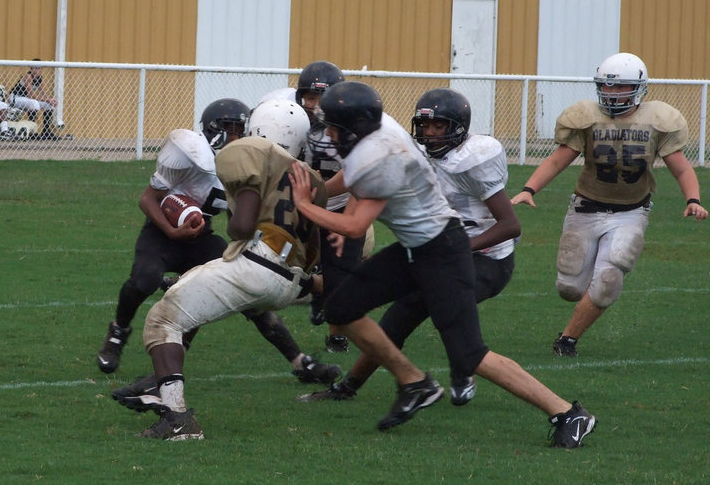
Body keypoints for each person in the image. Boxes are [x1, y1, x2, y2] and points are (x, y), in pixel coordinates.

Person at [288, 80, 595, 447]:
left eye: (336, 127)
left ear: (355, 127)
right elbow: (355, 182)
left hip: (442, 252)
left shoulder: (379, 157)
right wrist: (335, 203)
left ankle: (568, 412)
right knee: (342, 306)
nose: (331, 135)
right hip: (416, 248)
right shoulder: (379, 132)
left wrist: (307, 205)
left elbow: (355, 224)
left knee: (469, 354)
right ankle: (414, 382)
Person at [97, 98, 339, 386]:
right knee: (144, 279)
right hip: (163, 231)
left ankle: (300, 362)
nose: (235, 137)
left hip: (202, 236)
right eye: (230, 129)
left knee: (248, 288)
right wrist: (173, 232)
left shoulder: (249, 158)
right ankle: (118, 332)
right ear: (212, 128)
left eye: (240, 130)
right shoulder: (190, 152)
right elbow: (148, 198)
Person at [301, 87, 520, 406]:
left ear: (458, 127)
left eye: (439, 126)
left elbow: (510, 225)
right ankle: (352, 386)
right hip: (437, 249)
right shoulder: (408, 151)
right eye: (425, 126)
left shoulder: (473, 159)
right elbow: (365, 186)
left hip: (487, 257)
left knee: (442, 318)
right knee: (397, 318)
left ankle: (461, 371)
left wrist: (463, 247)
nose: (430, 134)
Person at [510, 52, 707, 357]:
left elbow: (681, 167)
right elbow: (557, 160)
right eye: (607, 86)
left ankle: (567, 340)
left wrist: (693, 199)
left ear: (639, 88)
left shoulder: (657, 120)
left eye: (621, 87)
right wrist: (528, 189)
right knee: (569, 288)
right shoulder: (587, 117)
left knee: (608, 278)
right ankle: (588, 284)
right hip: (585, 208)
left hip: (631, 212)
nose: (612, 93)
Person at [295, 60, 363, 353]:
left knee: (342, 271)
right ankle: (318, 293)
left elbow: (357, 178)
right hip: (301, 203)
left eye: (323, 97)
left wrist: (318, 192)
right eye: (311, 97)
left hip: (339, 204)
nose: (317, 104)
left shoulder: (354, 126)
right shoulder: (292, 121)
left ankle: (338, 333)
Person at [10, 60, 60, 140]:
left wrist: (50, 100)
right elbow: (32, 96)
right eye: (34, 68)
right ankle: (32, 132)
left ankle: (46, 131)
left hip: (27, 99)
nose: (36, 70)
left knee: (48, 105)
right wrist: (47, 99)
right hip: (16, 98)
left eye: (38, 68)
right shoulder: (28, 76)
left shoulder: (39, 78)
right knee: (34, 103)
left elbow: (43, 94)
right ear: (30, 68)